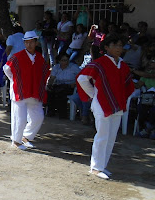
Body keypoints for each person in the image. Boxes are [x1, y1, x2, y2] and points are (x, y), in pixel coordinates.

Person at [77, 33, 134, 178]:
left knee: (111, 137)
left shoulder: (123, 65)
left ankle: (103, 166)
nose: (118, 48)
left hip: (117, 104)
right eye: (115, 45)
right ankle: (95, 167)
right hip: (101, 103)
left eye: (120, 45)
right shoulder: (99, 63)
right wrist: (93, 95)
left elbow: (128, 86)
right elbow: (82, 78)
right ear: (107, 47)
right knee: (102, 135)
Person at [3, 31, 50, 150]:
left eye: (31, 42)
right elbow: (7, 69)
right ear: (24, 43)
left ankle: (27, 136)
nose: (29, 45)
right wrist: (15, 80)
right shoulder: (17, 56)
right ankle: (16, 140)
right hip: (20, 91)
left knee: (38, 117)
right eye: (27, 42)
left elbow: (45, 71)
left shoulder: (40, 58)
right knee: (20, 118)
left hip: (34, 91)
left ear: (36, 43)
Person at [47, 53, 81, 118]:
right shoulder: (56, 67)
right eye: (63, 60)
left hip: (70, 86)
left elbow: (81, 77)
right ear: (59, 61)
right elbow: (52, 78)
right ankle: (51, 111)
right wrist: (49, 85)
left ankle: (62, 113)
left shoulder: (74, 67)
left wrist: (74, 84)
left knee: (61, 93)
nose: (65, 62)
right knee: (50, 92)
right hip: (59, 85)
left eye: (66, 60)